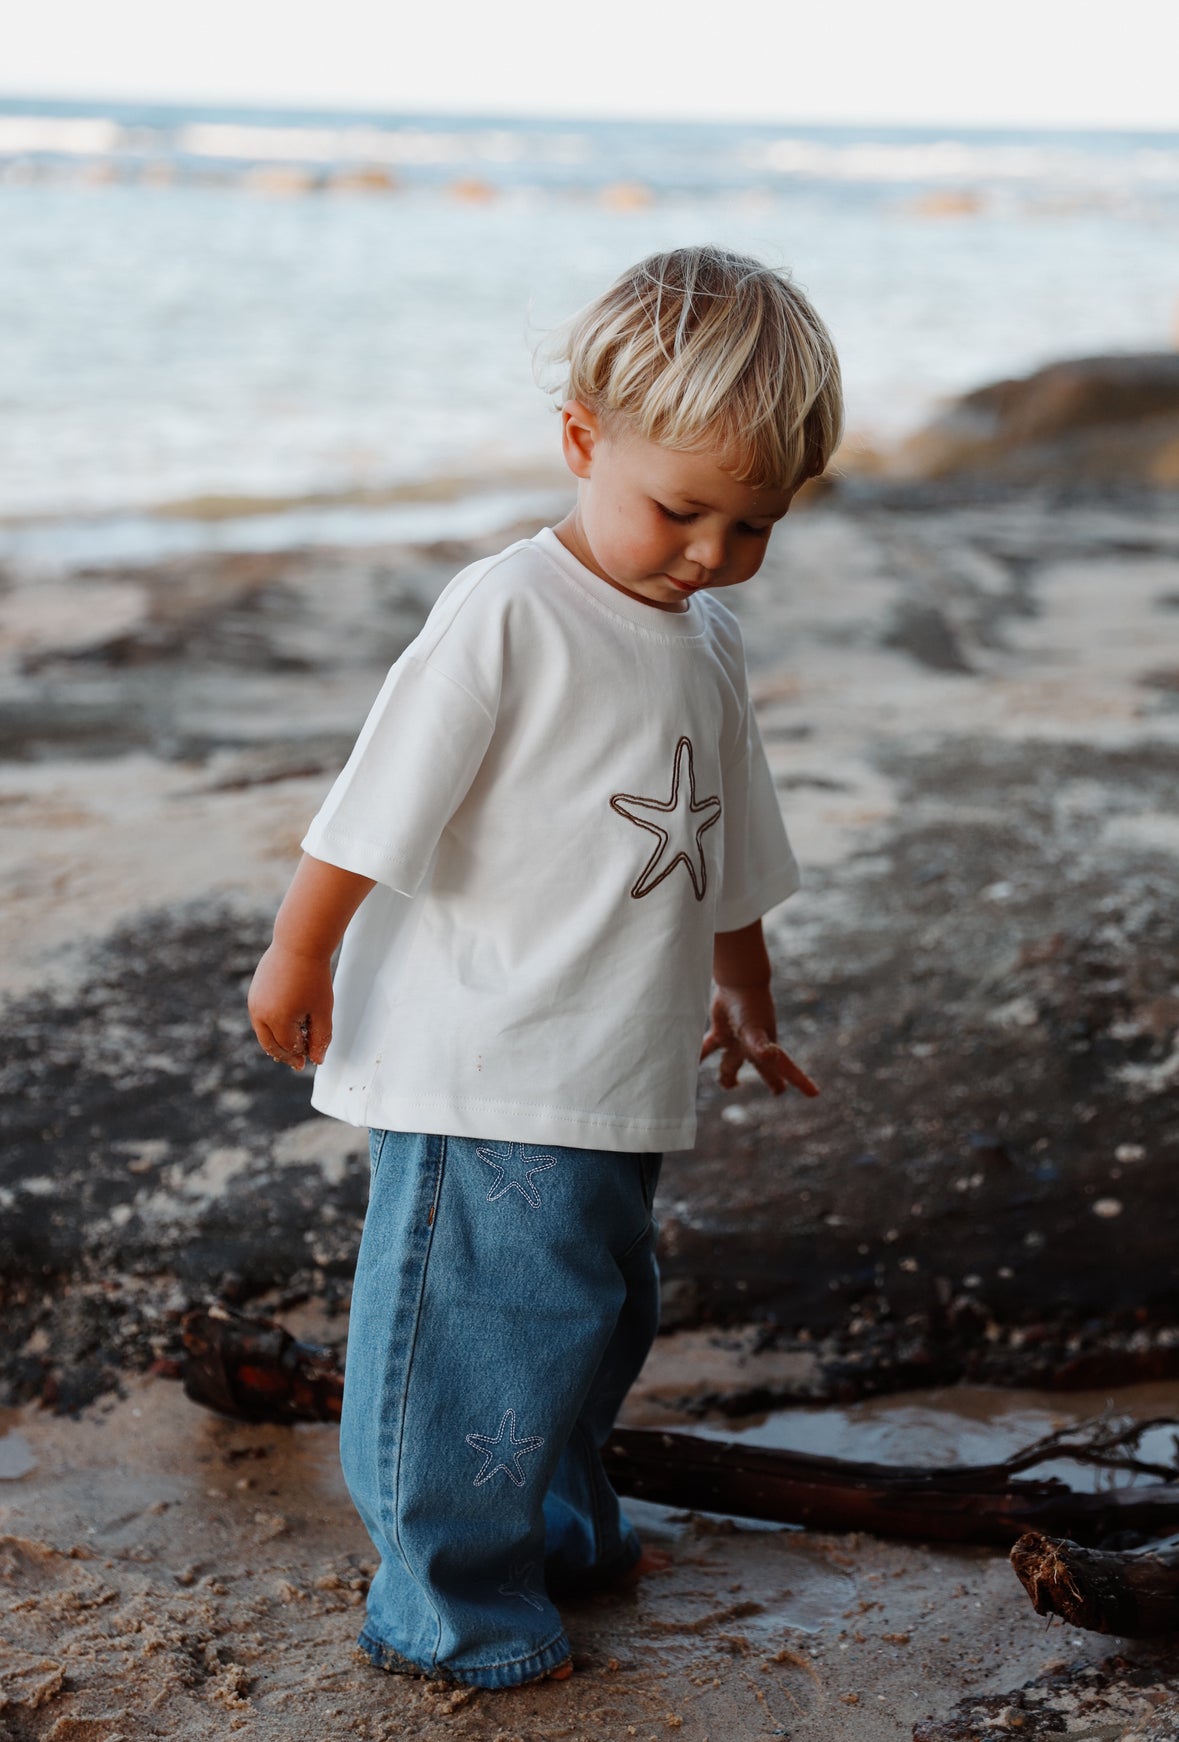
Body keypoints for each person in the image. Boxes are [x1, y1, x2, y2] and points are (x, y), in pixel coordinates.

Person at [248, 245, 843, 1690]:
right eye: (680, 509)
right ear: (583, 439)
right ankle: (446, 1600)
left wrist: (746, 988)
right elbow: (378, 799)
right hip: (484, 1053)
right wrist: (300, 947)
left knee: (591, 1312)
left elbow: (721, 834)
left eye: (753, 524)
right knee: (474, 1334)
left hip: (614, 1055)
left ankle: (561, 1527)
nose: (710, 551)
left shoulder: (706, 640)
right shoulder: (508, 608)